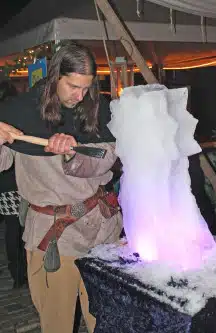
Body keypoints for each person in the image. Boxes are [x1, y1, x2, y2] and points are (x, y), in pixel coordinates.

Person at [0, 42, 123, 333]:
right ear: (56, 76)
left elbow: (107, 158)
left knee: (105, 319)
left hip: (102, 228)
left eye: (86, 87)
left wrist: (72, 152)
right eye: (73, 87)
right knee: (57, 322)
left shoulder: (96, 107)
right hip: (54, 235)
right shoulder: (19, 111)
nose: (80, 96)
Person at [0, 80, 27, 288]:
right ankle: (20, 273)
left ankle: (17, 273)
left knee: (13, 228)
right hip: (14, 180)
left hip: (6, 181)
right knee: (17, 227)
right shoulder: (14, 112)